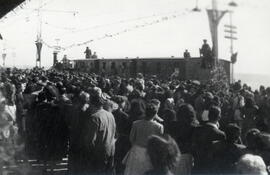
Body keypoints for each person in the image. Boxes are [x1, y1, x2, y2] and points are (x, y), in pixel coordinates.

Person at [123, 102, 164, 175]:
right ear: (155, 114)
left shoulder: (136, 123)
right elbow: (159, 143)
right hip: (149, 153)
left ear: (145, 112)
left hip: (136, 151)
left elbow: (131, 138)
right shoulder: (159, 126)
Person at [82, 95, 116, 174]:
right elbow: (114, 133)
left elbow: (91, 140)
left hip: (99, 153)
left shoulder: (94, 117)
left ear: (92, 104)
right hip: (111, 150)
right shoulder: (110, 115)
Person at [191, 105, 226, 174]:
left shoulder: (197, 129)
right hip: (211, 169)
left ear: (209, 115)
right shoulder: (220, 134)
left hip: (197, 167)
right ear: (219, 117)